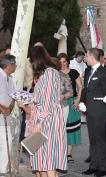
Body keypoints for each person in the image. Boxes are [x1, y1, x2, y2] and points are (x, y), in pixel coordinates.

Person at [22, 45, 67, 177]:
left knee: (48, 160)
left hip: (47, 120)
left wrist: (39, 122)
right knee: (42, 158)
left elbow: (47, 102)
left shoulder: (49, 74)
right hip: (46, 117)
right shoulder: (47, 73)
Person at [80, 48, 106, 177]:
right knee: (92, 139)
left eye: (87, 56)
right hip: (90, 111)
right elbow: (86, 89)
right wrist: (82, 101)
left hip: (100, 111)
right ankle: (93, 165)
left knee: (100, 139)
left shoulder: (103, 72)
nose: (85, 59)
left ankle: (103, 168)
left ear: (92, 57)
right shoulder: (89, 71)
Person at [57, 53, 82, 163]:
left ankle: (69, 154)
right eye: (60, 62)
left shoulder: (74, 72)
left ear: (68, 61)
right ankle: (60, 152)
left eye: (64, 61)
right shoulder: (56, 73)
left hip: (72, 102)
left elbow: (80, 87)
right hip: (60, 102)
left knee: (71, 129)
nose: (63, 64)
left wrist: (77, 100)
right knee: (60, 128)